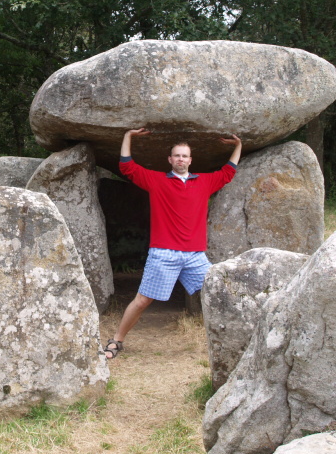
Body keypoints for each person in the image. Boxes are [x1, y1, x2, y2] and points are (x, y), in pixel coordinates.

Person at [103, 127, 242, 359]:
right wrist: (127, 137)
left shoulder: (205, 182)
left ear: (190, 160)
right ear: (170, 159)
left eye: (184, 155)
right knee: (142, 300)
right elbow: (127, 166)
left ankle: (239, 343)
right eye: (177, 155)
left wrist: (238, 146)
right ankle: (116, 341)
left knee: (220, 293)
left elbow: (228, 172)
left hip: (196, 256)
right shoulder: (156, 180)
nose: (181, 159)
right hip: (163, 253)